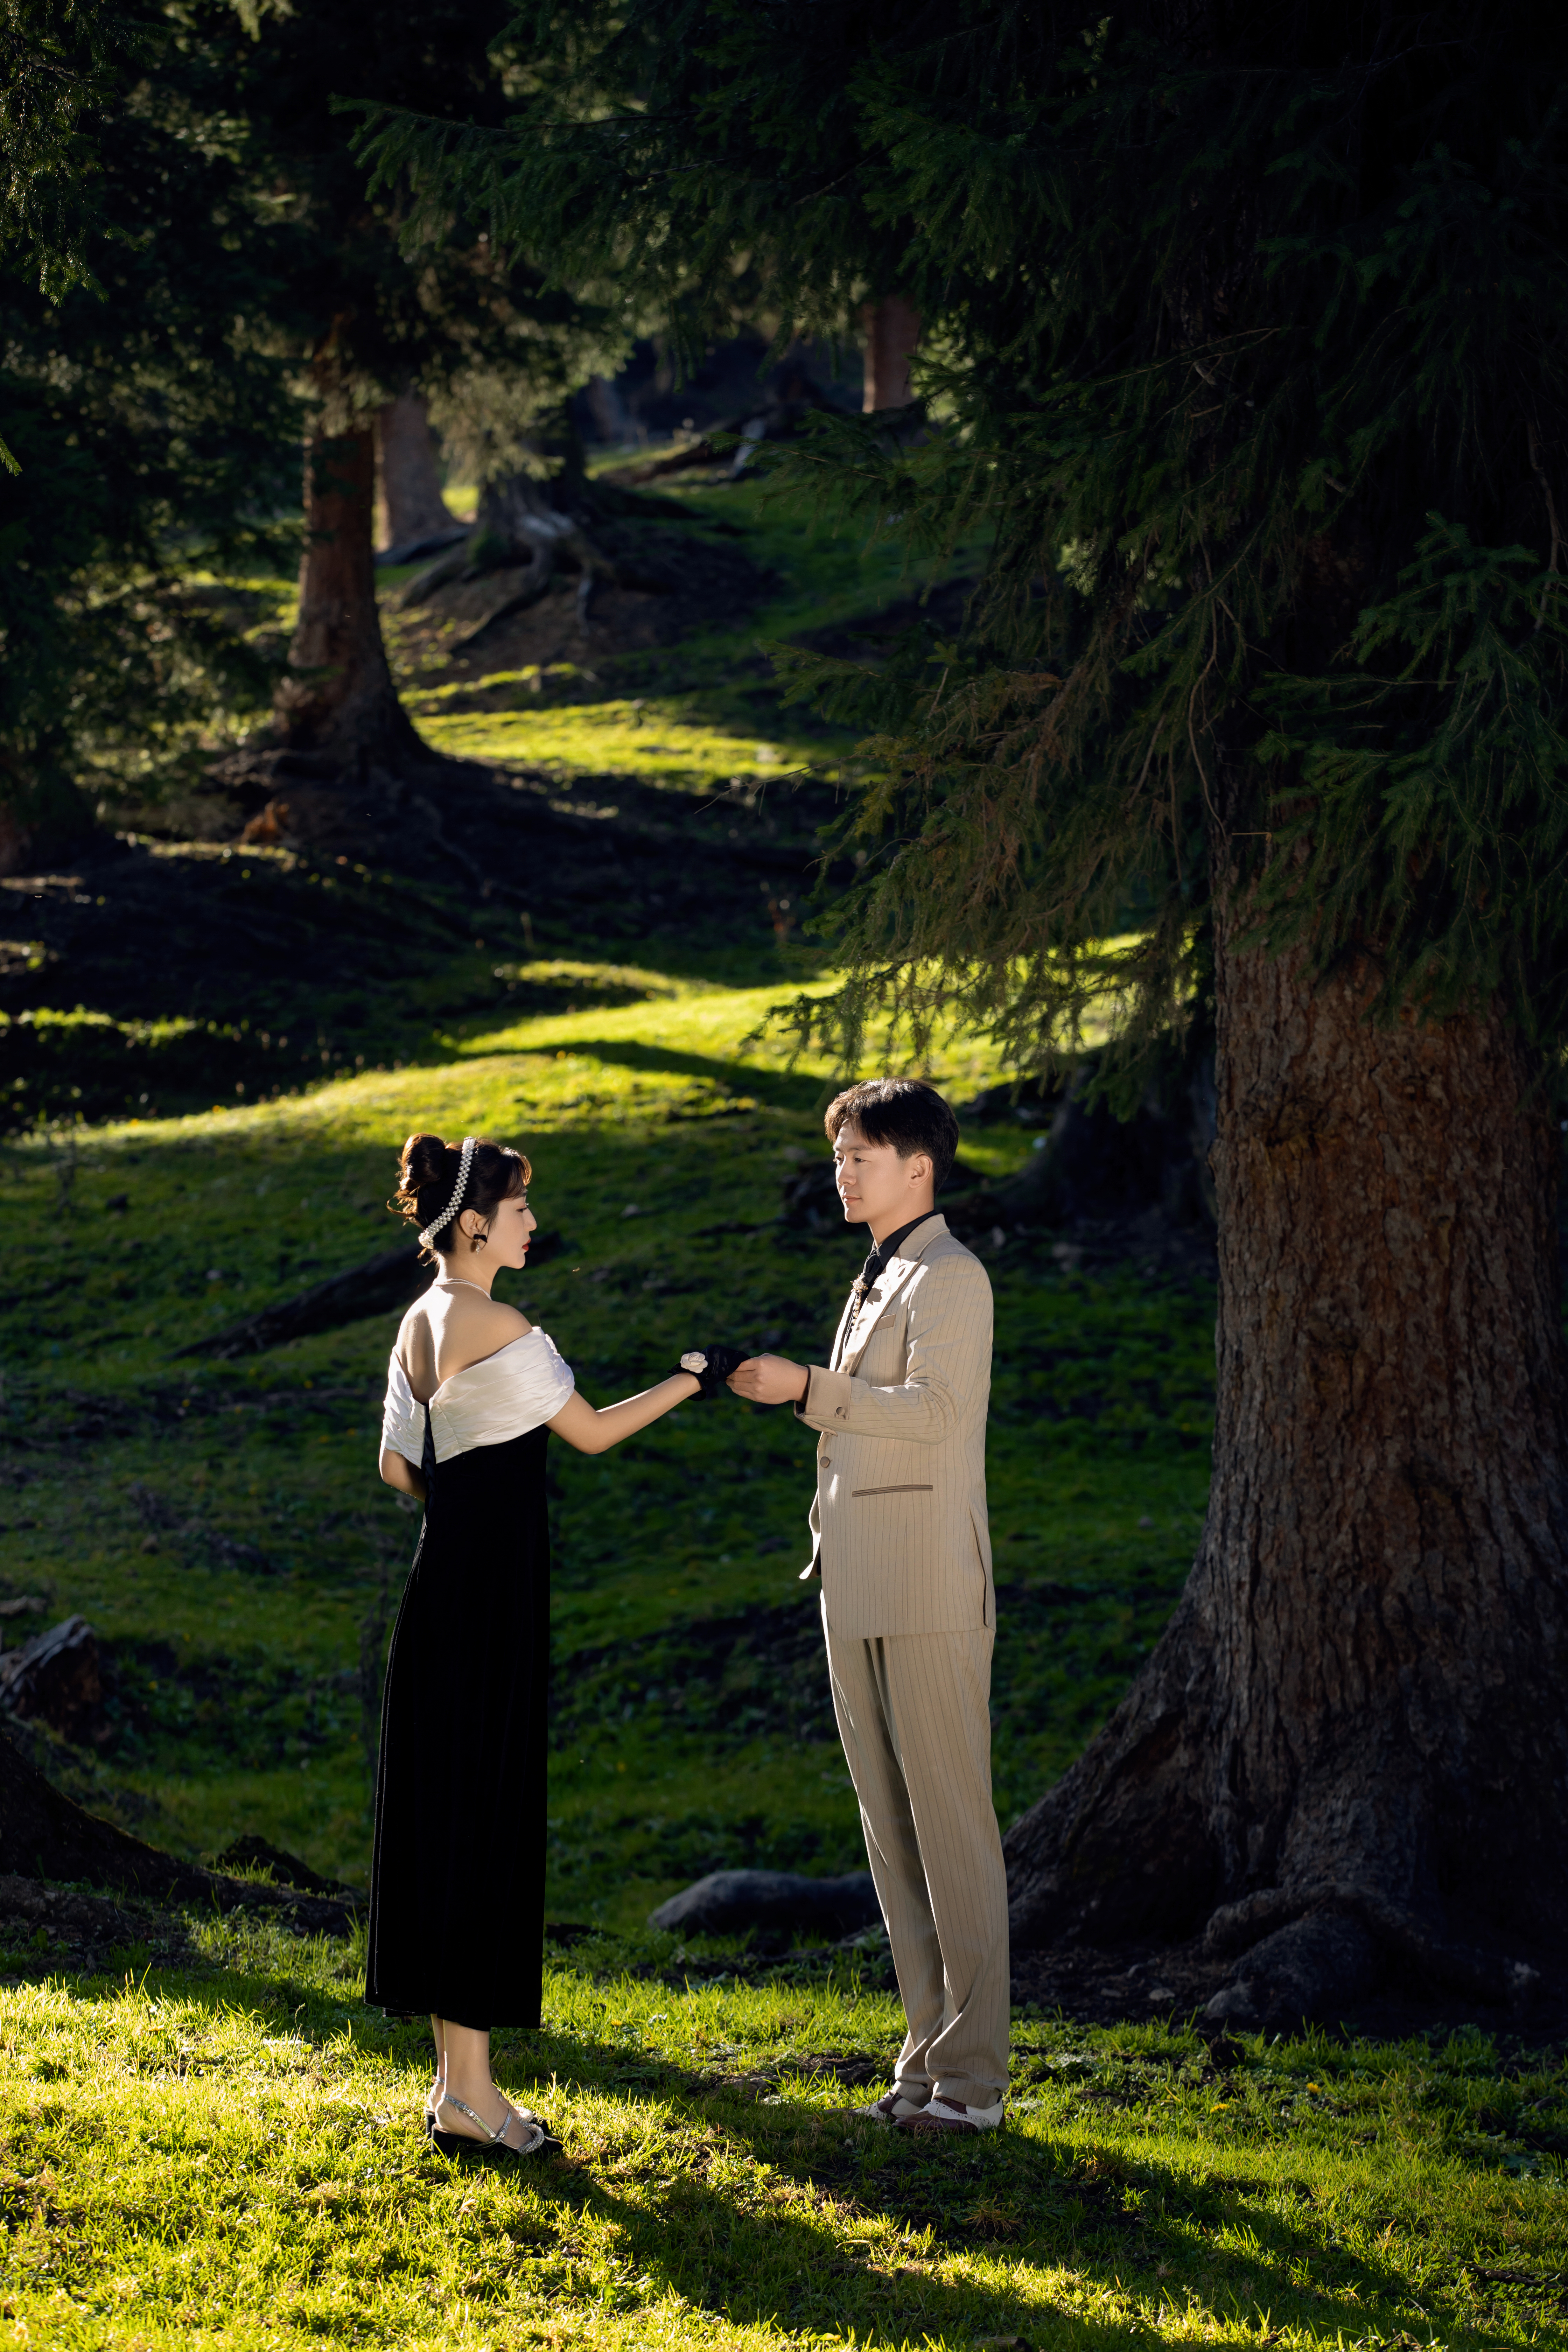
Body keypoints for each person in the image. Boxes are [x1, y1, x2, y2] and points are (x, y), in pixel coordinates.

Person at [372, 1130, 738, 2157]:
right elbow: (591, 1431)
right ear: (477, 1222)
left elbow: (400, 1471)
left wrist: (469, 1484)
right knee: (483, 1827)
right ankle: (479, 2102)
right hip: (492, 1605)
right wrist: (692, 1378)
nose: (534, 1223)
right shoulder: (498, 1320)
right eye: (522, 1209)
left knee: (445, 1826)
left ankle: (456, 2087)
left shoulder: (419, 1320)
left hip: (438, 1594)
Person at [728, 1077, 1008, 2136]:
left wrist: (807, 1386)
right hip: (853, 1584)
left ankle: (975, 2083)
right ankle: (925, 2059)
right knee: (892, 1836)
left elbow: (935, 1417)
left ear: (919, 1167)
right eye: (840, 1153)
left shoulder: (954, 1277)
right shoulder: (878, 1272)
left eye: (860, 1155)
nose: (841, 1171)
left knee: (953, 1835)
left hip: (930, 1588)